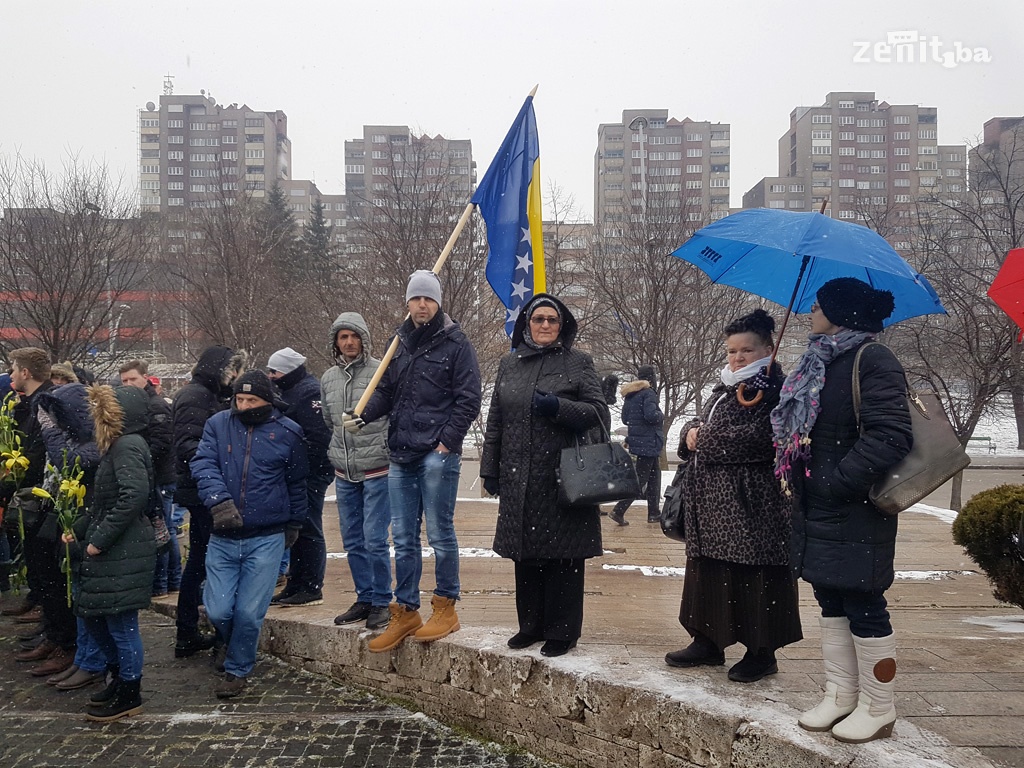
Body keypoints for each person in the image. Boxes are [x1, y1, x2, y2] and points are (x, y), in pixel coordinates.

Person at [772, 278, 913, 743]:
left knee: (863, 603)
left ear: (840, 312)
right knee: (830, 599)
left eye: (818, 306)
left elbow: (890, 434)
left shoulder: (872, 359)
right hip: (817, 506)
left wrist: (835, 483)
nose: (810, 313)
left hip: (855, 507)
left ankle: (878, 706)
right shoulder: (821, 362)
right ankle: (840, 694)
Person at [346, 270, 481, 652]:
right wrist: (364, 414)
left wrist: (446, 442)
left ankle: (446, 607)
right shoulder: (399, 343)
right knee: (403, 538)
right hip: (401, 453)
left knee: (440, 533)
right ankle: (406, 610)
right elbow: (386, 391)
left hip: (436, 453)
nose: (422, 304)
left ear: (438, 302)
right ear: (408, 302)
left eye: (429, 298)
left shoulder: (455, 343)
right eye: (416, 298)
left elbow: (468, 398)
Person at [665, 309, 801, 683]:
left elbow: (758, 441)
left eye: (747, 350)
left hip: (751, 504)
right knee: (709, 571)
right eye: (731, 351)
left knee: (753, 575)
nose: (738, 358)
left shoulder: (778, 391)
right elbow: (701, 424)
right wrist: (690, 431)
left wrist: (701, 438)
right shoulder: (725, 388)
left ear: (768, 349)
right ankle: (707, 640)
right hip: (710, 504)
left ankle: (762, 651)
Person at [480, 294, 610, 657]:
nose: (546, 325)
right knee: (526, 553)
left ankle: (562, 630)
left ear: (562, 324)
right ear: (527, 324)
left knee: (563, 557)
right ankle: (530, 625)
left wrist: (558, 407)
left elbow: (599, 413)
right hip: (519, 477)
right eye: (539, 319)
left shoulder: (578, 363)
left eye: (553, 320)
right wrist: (490, 468)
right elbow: (496, 421)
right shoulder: (510, 363)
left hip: (563, 476)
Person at [190, 370, 308, 699]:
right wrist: (219, 502)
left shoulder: (288, 432)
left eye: (251, 400)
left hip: (266, 535)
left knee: (248, 612)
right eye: (239, 399)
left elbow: (297, 483)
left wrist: (295, 523)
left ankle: (237, 668)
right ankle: (228, 640)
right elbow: (202, 464)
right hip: (223, 533)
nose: (243, 406)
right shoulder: (218, 425)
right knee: (218, 609)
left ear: (266, 401)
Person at [68, 385, 157, 722]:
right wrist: (76, 529)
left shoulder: (128, 446)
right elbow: (103, 502)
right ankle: (118, 678)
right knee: (95, 616)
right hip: (117, 545)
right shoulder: (118, 447)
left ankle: (129, 689)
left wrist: (98, 540)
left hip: (124, 548)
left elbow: (133, 496)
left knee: (120, 623)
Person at [171, 345, 246, 658]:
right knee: (206, 561)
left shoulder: (207, 395)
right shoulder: (196, 396)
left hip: (202, 489)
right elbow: (191, 446)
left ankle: (191, 632)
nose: (233, 378)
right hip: (202, 492)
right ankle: (194, 631)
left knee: (202, 561)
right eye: (231, 371)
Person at [320, 313, 392, 630]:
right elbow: (329, 421)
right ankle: (365, 596)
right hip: (344, 472)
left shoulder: (381, 372)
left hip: (377, 468)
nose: (349, 342)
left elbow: (393, 416)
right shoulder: (328, 379)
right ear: (336, 342)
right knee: (353, 540)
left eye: (354, 336)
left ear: (364, 338)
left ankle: (381, 600)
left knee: (375, 539)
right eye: (342, 337)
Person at [35, 380, 106, 690]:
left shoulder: (97, 441)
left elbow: (70, 460)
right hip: (77, 523)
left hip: (90, 525)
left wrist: (50, 429)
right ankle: (84, 659)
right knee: (78, 597)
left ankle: (93, 662)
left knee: (86, 599)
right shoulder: (83, 436)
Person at [266, 347, 332, 607]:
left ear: (288, 370)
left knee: (309, 527)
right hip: (298, 471)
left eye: (274, 371)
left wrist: (307, 470)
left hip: (310, 472)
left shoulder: (308, 392)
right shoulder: (292, 390)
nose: (271, 376)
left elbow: (318, 437)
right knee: (298, 527)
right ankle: (296, 583)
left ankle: (311, 585)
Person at [120, 359, 180, 597]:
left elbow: (162, 443)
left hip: (160, 476)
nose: (129, 384)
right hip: (152, 474)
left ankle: (166, 582)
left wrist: (140, 461)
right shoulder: (135, 404)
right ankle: (170, 580)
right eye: (124, 380)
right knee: (164, 528)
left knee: (164, 529)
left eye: (133, 379)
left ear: (146, 377)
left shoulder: (154, 405)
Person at [610, 365, 664, 526]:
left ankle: (654, 512)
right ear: (651, 378)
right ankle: (619, 510)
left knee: (654, 476)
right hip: (649, 440)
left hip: (640, 440)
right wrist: (660, 415)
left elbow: (626, 419)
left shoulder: (631, 395)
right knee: (641, 478)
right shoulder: (649, 393)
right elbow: (651, 415)